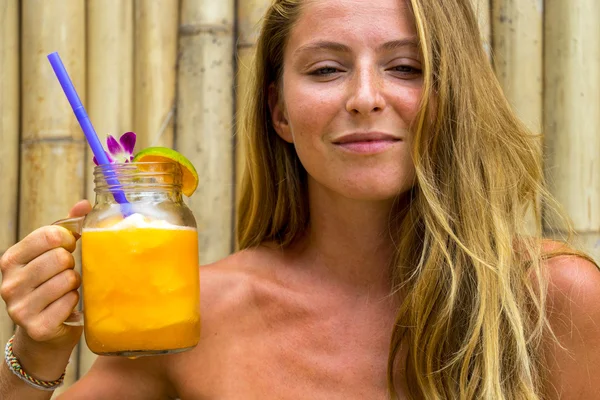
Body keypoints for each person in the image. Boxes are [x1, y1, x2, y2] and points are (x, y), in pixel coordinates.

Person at [1, 0, 599, 398]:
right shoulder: (194, 318)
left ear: (453, 96)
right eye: (325, 70)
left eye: (406, 67)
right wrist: (35, 353)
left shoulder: (556, 304)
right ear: (280, 111)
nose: (366, 97)